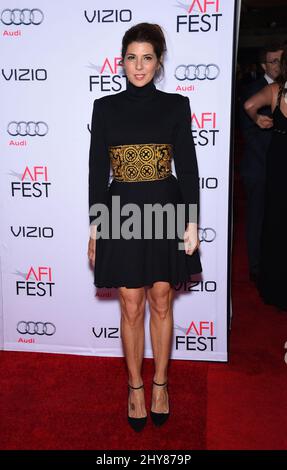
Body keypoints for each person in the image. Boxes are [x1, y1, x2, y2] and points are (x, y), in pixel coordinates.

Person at [87, 23, 202, 431]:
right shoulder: (105, 107)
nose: (139, 65)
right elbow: (97, 170)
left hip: (166, 210)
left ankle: (160, 384)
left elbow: (188, 168)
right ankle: (135, 386)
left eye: (147, 57)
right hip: (121, 213)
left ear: (158, 61)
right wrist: (97, 225)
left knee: (160, 301)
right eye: (132, 57)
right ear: (121, 61)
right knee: (130, 304)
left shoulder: (175, 105)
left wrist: (191, 221)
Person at [244, 45, 287, 312]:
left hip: (279, 160)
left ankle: (274, 284)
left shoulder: (276, 91)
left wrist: (259, 119)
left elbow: (249, 105)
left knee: (276, 221)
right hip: (273, 164)